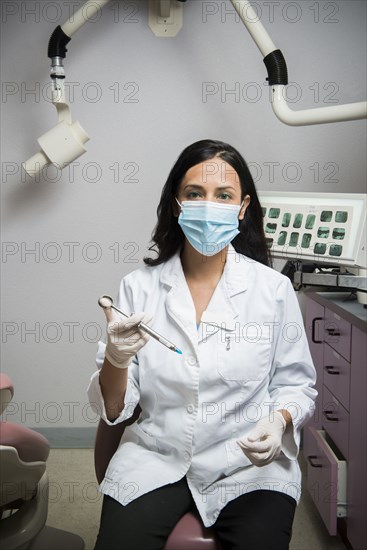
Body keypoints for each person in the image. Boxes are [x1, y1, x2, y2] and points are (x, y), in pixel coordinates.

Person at [87, 139, 317, 550]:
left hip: (248, 464)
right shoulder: (138, 287)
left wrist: (278, 421)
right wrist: (117, 360)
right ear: (177, 204)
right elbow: (114, 407)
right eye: (195, 193)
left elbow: (297, 385)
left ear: (242, 208)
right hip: (157, 456)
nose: (209, 205)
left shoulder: (274, 290)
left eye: (223, 195)